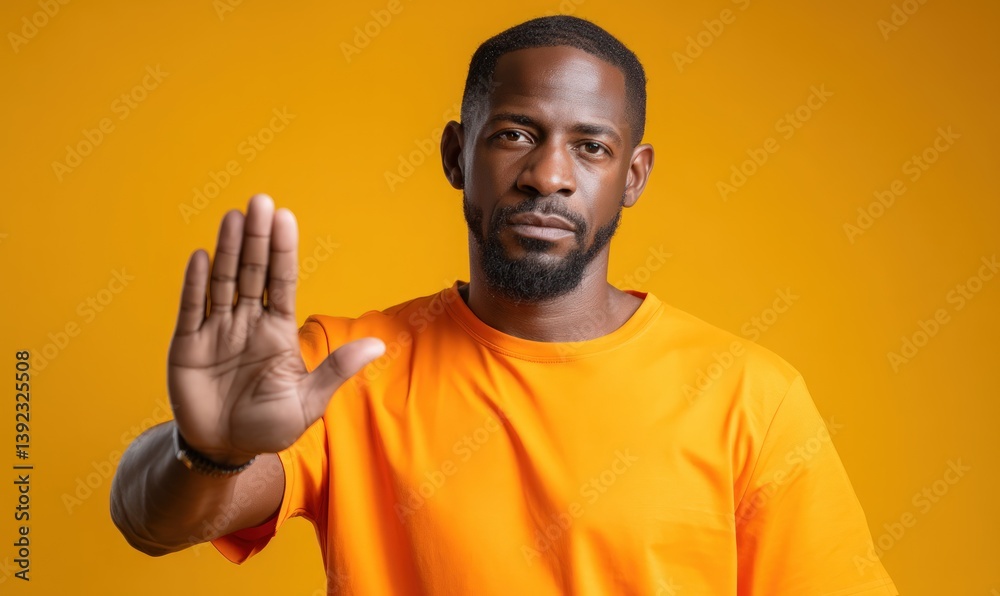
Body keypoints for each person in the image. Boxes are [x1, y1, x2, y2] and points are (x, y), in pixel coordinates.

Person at [111, 15, 899, 595]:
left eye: (591, 146)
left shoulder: (749, 397)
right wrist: (206, 450)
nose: (548, 175)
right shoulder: (346, 369)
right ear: (458, 152)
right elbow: (149, 522)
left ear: (634, 175)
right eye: (516, 134)